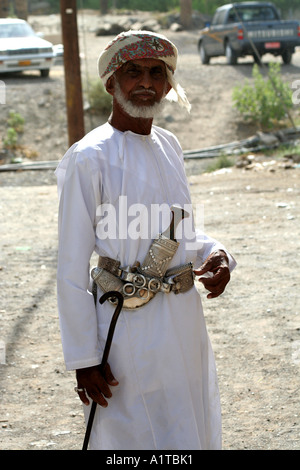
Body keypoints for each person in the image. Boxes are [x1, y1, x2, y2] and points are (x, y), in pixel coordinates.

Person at [55, 30, 236, 450]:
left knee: (185, 427)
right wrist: (84, 359)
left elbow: (182, 232)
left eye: (157, 73)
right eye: (133, 71)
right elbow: (70, 266)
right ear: (111, 82)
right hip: (124, 328)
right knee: (129, 435)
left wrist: (218, 254)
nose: (146, 82)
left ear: (169, 85)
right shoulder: (89, 157)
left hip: (183, 324)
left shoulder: (169, 146)